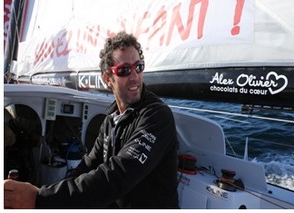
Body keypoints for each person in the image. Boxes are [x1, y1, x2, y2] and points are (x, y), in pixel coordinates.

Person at [3, 32, 179, 208]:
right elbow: (88, 166)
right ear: (107, 79)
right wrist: (46, 196)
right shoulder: (111, 119)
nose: (134, 76)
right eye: (124, 70)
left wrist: (40, 199)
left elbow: (117, 176)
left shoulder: (157, 117)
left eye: (138, 67)